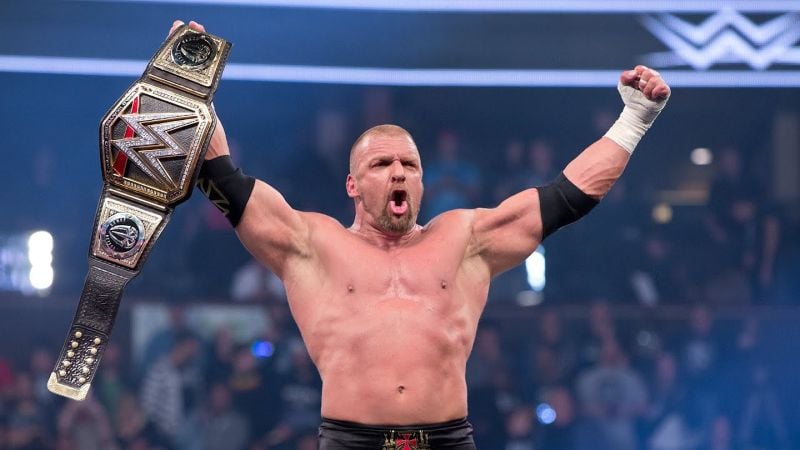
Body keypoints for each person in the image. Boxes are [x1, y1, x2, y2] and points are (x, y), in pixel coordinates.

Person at [173, 16, 671, 449]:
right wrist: (186, 79)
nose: (398, 173)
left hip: (448, 437)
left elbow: (566, 198)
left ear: (422, 180)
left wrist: (634, 120)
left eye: (409, 164)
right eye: (382, 163)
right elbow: (224, 179)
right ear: (352, 184)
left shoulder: (464, 240)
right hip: (352, 440)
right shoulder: (313, 244)